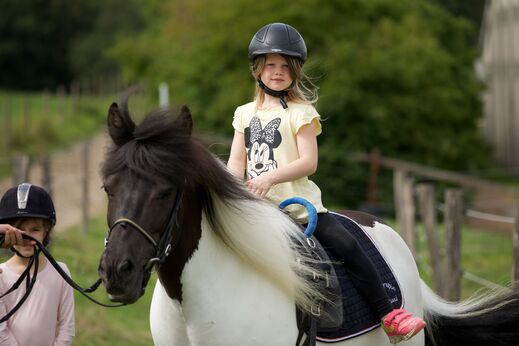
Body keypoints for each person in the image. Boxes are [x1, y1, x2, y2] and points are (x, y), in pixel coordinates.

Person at [227, 22, 425, 344]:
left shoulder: (302, 113)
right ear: (257, 69)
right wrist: (231, 191)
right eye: (270, 64)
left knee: (348, 244)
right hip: (258, 209)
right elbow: (237, 162)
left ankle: (389, 314)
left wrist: (269, 177)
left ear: (295, 71)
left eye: (285, 66)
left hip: (301, 211)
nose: (277, 72)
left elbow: (309, 162)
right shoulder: (243, 113)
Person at [0, 183, 75, 345]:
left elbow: (67, 328)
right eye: (19, 230)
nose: (27, 237)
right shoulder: (1, 275)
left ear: (46, 230)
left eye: (35, 230)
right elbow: (0, 332)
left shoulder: (61, 273)